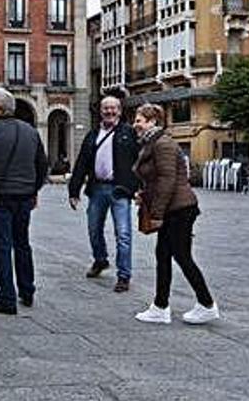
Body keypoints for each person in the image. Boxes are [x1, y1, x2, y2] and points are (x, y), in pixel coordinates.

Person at [132, 103, 219, 325]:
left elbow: (167, 181)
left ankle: (206, 304)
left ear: (153, 122)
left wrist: (157, 213)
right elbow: (157, 179)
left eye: (139, 120)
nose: (135, 124)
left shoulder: (163, 144)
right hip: (174, 208)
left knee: (181, 256)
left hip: (178, 210)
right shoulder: (154, 142)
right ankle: (160, 307)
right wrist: (145, 195)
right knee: (164, 255)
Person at [0, 88, 48, 315]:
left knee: (2, 246)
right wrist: (33, 189)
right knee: (22, 243)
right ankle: (27, 290)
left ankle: (7, 297)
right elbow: (42, 165)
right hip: (24, 198)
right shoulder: (31, 132)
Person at [68, 95, 140, 292]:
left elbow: (140, 161)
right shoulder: (92, 135)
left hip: (120, 190)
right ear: (100, 111)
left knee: (123, 234)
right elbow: (81, 163)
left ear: (120, 111)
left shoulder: (129, 133)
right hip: (97, 188)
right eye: (106, 108)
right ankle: (100, 260)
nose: (109, 112)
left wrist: (138, 187)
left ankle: (124, 275)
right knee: (93, 229)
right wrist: (74, 191)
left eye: (113, 108)